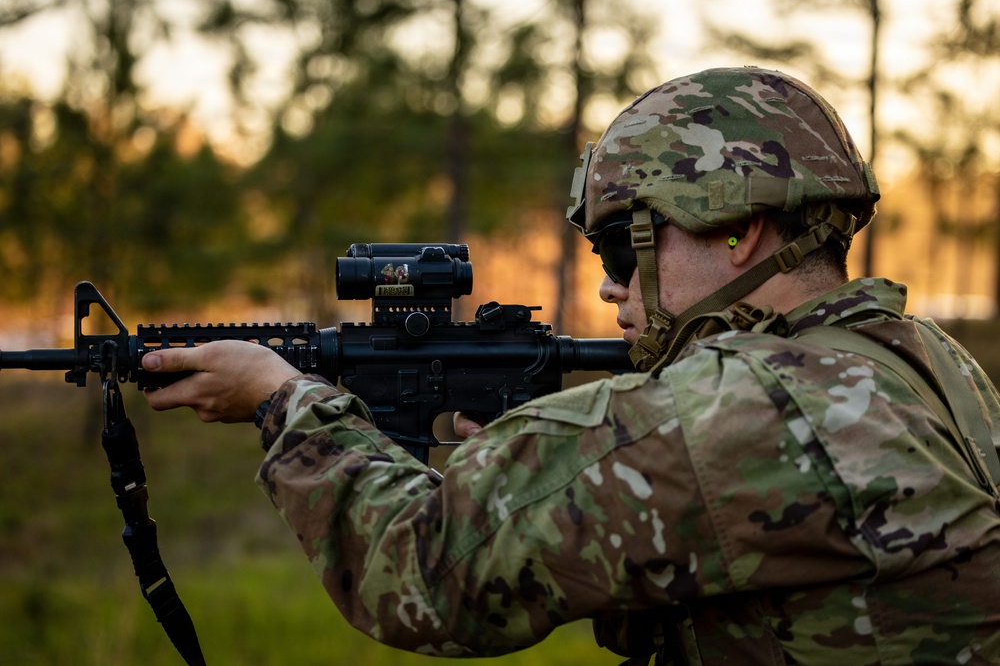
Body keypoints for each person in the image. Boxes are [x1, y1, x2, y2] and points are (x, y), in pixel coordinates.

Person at [141, 67, 1000, 665]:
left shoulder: (739, 409)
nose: (608, 286)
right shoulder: (927, 360)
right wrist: (537, 472)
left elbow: (423, 572)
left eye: (626, 246)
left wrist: (282, 399)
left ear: (741, 228)